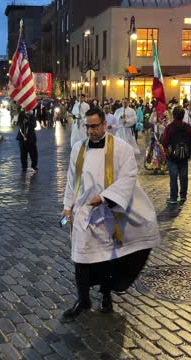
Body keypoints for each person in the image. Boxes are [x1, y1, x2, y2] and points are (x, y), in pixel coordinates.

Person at [60, 107, 162, 321]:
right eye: (87, 127)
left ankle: (106, 296)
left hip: (107, 213)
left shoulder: (121, 149)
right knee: (80, 259)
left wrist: (105, 197)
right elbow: (72, 179)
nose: (90, 131)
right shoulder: (78, 148)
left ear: (104, 125)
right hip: (84, 212)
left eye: (94, 126)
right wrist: (67, 205)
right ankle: (83, 300)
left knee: (106, 260)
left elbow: (128, 177)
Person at [162, 106, 191, 204]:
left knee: (173, 176)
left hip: (172, 156)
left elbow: (164, 141)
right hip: (184, 155)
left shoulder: (169, 128)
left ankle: (173, 197)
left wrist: (166, 152)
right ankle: (183, 195)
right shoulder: (188, 127)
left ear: (173, 115)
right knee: (183, 176)